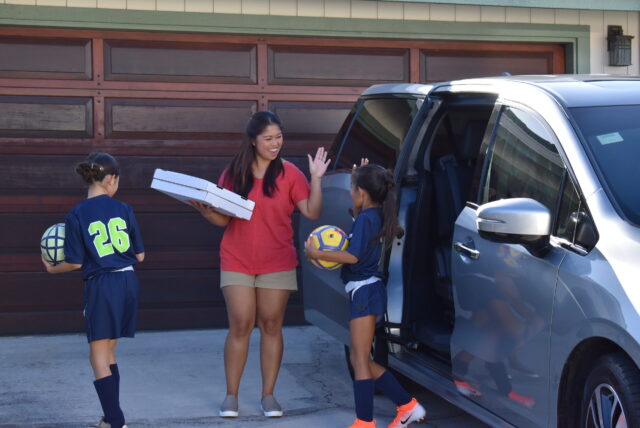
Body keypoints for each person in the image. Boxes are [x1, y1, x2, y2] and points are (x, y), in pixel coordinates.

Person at [189, 110, 330, 418]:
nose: (275, 143)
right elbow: (223, 219)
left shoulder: (291, 173)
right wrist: (205, 211)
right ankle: (231, 395)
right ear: (253, 141)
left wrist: (317, 179)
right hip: (237, 258)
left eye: (279, 137)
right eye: (268, 138)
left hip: (277, 260)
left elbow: (313, 212)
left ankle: (268, 395)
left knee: (270, 325)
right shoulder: (233, 173)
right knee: (240, 323)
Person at [304, 163, 426, 428]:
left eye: (352, 188)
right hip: (366, 291)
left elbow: (352, 256)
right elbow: (359, 222)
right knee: (359, 358)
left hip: (365, 292)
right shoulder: (372, 215)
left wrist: (318, 254)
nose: (349, 193)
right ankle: (406, 406)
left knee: (359, 359)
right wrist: (362, 183)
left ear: (361, 191)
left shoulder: (366, 219)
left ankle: (366, 422)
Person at [41, 152, 144, 428]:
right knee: (109, 352)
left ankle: (116, 420)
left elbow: (74, 263)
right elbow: (140, 256)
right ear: (111, 179)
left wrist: (52, 268)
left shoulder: (77, 213)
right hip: (128, 282)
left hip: (103, 285)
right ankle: (110, 418)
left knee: (97, 356)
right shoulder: (124, 209)